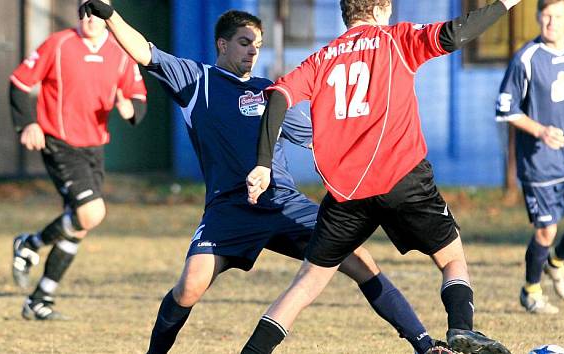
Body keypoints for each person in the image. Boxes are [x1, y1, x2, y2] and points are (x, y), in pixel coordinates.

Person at [78, 2, 456, 353]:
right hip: (229, 209)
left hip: (282, 202)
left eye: (256, 45)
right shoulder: (197, 80)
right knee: (190, 286)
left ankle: (425, 345)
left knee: (360, 261)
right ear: (221, 44)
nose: (252, 52)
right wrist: (110, 16)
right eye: (244, 43)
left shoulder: (269, 92)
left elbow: (321, 133)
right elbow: (145, 50)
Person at [243, 0, 523, 353]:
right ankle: (460, 329)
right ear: (380, 10)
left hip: (347, 191)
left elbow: (279, 97)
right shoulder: (397, 39)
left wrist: (263, 163)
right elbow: (454, 35)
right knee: (452, 259)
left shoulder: (323, 58)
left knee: (308, 281)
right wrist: (505, 4)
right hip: (403, 178)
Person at [10, 0, 147, 320]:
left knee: (80, 224)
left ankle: (40, 299)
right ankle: (31, 244)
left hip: (94, 147)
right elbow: (19, 83)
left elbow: (138, 97)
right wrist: (28, 123)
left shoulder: (120, 52)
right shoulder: (58, 44)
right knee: (91, 212)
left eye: (97, 10)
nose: (89, 16)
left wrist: (130, 111)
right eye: (85, 9)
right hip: (60, 142)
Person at [495, 0, 564, 315]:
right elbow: (505, 109)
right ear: (537, 18)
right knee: (546, 231)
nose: (551, 22)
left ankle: (555, 263)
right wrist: (540, 131)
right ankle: (530, 291)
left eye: (558, 16)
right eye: (545, 16)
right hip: (539, 166)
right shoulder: (526, 59)